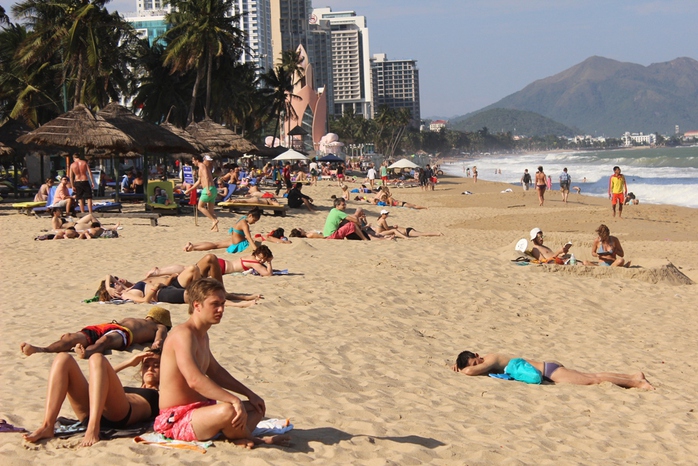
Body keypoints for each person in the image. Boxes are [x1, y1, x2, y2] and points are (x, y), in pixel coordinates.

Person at [154, 278, 290, 447]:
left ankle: (233, 434)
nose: (221, 309)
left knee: (257, 407)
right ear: (197, 305)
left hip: (201, 411)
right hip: (175, 419)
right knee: (229, 410)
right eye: (215, 304)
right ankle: (253, 439)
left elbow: (215, 371)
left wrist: (249, 394)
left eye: (223, 304)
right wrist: (234, 400)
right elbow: (194, 380)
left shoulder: (202, 335)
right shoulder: (183, 334)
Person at [24, 350, 161, 446]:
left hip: (120, 415)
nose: (150, 369)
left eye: (156, 366)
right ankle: (47, 426)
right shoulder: (123, 387)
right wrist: (128, 363)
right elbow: (99, 378)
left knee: (97, 357)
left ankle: (93, 428)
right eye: (146, 365)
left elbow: (101, 365)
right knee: (63, 358)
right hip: (92, 410)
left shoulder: (162, 393)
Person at [451, 351, 653, 389]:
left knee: (594, 379)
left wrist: (463, 370)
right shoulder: (491, 359)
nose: (478, 366)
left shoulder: (491, 358)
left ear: (477, 355)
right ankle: (633, 376)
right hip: (549, 368)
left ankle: (637, 383)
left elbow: (470, 372)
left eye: (476, 362)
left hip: (549, 371)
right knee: (592, 376)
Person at [20, 307, 171, 358]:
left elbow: (159, 341)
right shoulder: (149, 323)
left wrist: (156, 345)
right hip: (110, 326)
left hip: (124, 332)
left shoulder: (159, 327)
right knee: (72, 337)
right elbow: (159, 340)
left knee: (104, 342)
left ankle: (86, 353)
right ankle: (40, 349)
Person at [147, 247, 275, 281]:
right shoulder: (255, 263)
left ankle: (160, 272)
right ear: (257, 254)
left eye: (264, 259)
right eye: (261, 258)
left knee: (188, 269)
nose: (261, 261)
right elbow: (268, 274)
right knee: (189, 270)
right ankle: (158, 272)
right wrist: (269, 263)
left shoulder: (250, 256)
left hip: (222, 263)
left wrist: (265, 261)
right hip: (221, 267)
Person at [184, 207, 262, 254]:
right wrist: (255, 249)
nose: (254, 222)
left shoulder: (242, 219)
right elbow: (248, 237)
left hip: (233, 240)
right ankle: (193, 248)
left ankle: (193, 245)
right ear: (250, 216)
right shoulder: (245, 224)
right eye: (254, 220)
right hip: (237, 244)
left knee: (215, 244)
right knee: (215, 246)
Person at [185, 154, 219, 231]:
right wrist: (189, 190)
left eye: (193, 160)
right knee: (211, 211)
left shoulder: (202, 166)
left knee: (200, 207)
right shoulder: (203, 167)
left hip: (208, 189)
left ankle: (214, 220)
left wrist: (207, 189)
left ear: (197, 160)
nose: (193, 162)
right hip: (213, 189)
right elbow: (199, 181)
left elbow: (206, 177)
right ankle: (215, 228)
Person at [375, 210, 442, 238]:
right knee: (422, 233)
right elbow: (387, 228)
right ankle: (437, 233)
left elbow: (386, 229)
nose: (387, 215)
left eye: (387, 214)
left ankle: (437, 233)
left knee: (423, 234)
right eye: (386, 214)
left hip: (407, 232)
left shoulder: (380, 220)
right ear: (382, 214)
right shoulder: (382, 220)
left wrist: (392, 227)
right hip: (407, 230)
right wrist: (392, 227)